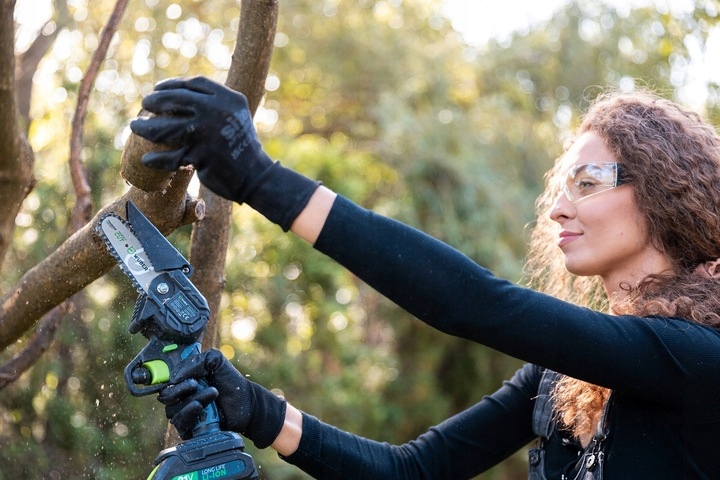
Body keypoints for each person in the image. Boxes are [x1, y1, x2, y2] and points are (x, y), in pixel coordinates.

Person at [129, 75, 720, 479]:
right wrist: (260, 413)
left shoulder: (698, 358)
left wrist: (261, 180)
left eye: (587, 183)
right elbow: (412, 470)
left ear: (663, 196)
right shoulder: (560, 380)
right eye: (562, 188)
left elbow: (475, 304)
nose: (559, 209)